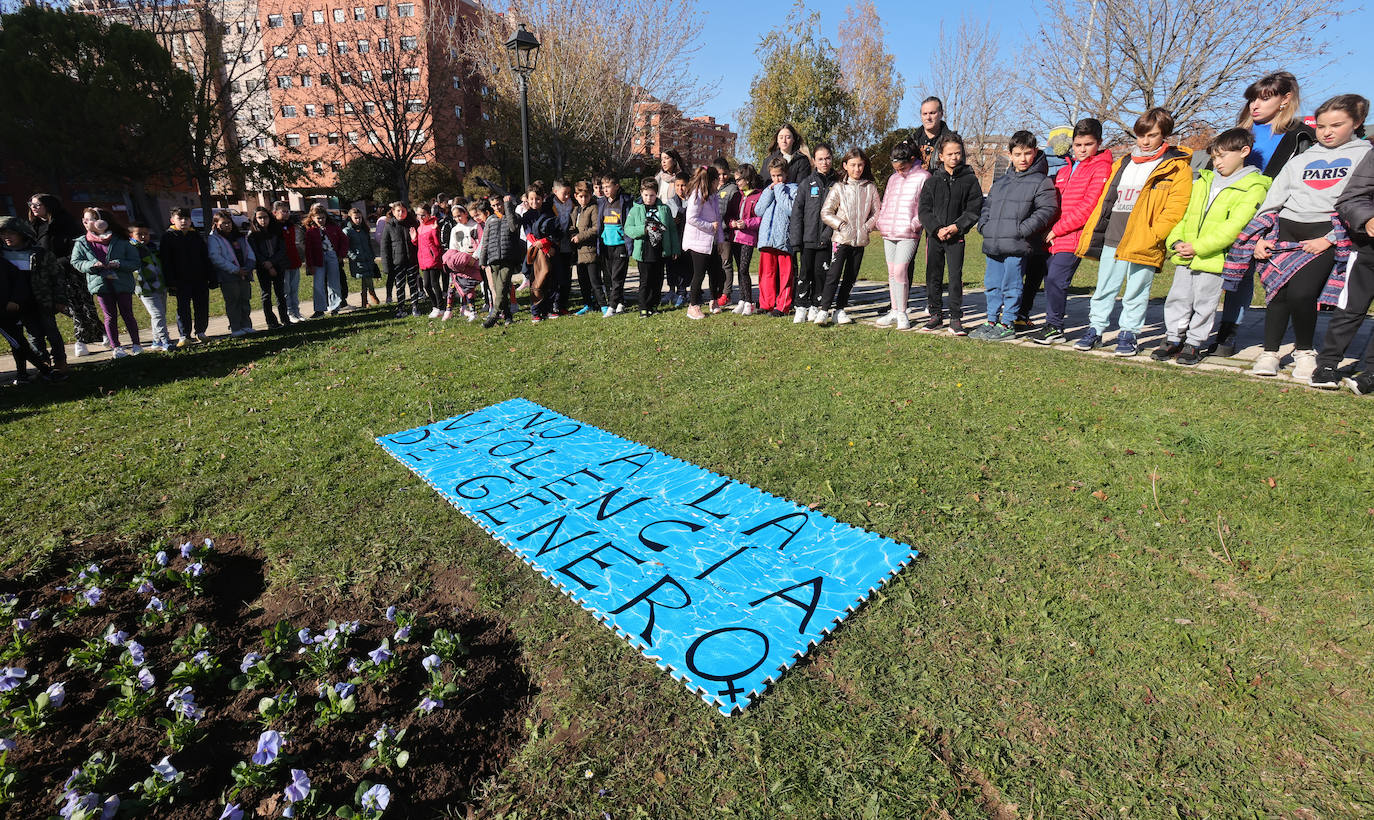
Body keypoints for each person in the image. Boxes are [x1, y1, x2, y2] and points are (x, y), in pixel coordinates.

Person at [1243, 94, 1371, 379]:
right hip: (1287, 229)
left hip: (1325, 233)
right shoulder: (1303, 157)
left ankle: (1304, 352)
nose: (1326, 132)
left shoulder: (1364, 155)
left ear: (1357, 122)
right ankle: (1270, 353)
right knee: (1277, 294)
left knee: (1303, 294)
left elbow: (1360, 201)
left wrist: (1330, 238)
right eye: (1322, 126)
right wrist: (1260, 235)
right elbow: (1275, 198)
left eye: (1336, 125)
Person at [1214, 71, 1318, 356]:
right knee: (1230, 270)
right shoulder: (1239, 131)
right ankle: (1218, 329)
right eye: (1252, 99)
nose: (1254, 106)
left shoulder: (1301, 136)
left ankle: (1287, 340)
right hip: (1232, 208)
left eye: (1264, 98)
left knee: (1269, 274)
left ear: (1285, 99)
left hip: (1273, 213)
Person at [1075, 108, 1193, 356]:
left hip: (1143, 240)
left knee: (1137, 290)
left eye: (1152, 135)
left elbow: (1175, 208)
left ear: (1164, 135)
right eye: (1141, 135)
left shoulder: (1176, 167)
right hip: (1114, 235)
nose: (1145, 141)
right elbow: (1108, 199)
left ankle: (1129, 333)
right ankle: (1095, 328)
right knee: (1105, 286)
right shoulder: (1124, 162)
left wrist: (1153, 235)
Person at [1153, 129, 1271, 366]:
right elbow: (1184, 216)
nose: (1217, 163)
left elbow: (1234, 226)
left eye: (1223, 156)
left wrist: (1198, 247)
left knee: (1204, 302)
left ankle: (1194, 343)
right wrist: (1175, 242)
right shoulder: (1203, 181)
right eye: (1214, 157)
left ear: (1244, 152)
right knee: (1178, 297)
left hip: (1214, 257)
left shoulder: (1254, 186)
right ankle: (1173, 338)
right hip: (1185, 253)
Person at [1030, 118, 1114, 345]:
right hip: (1054, 235)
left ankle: (1055, 326)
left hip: (1075, 235)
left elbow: (1089, 206)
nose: (1082, 149)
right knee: (1050, 279)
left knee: (1057, 278)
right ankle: (1051, 323)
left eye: (1088, 144)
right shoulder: (1067, 167)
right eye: (1078, 145)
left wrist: (1057, 230)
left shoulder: (1101, 167)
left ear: (1099, 143)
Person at [973, 132, 1059, 341]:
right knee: (992, 284)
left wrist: (1023, 230)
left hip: (1017, 244)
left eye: (1028, 153)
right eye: (1018, 154)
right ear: (1010, 155)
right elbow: (988, 207)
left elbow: (1047, 209)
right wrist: (984, 226)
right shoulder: (1000, 183)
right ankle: (991, 320)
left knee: (1012, 285)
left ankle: (1008, 323)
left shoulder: (1041, 181)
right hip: (994, 242)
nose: (1023, 158)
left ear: (1035, 152)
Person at [1312, 148, 1374, 392]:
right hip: (1368, 249)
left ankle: (1371, 373)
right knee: (1350, 308)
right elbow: (1351, 199)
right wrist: (1367, 219)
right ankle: (1327, 364)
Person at [917, 133, 983, 335]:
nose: (954, 157)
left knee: (955, 277)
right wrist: (936, 229)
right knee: (933, 276)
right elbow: (924, 210)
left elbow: (974, 209)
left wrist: (956, 227)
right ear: (941, 156)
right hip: (935, 237)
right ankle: (935, 315)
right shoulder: (932, 181)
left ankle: (955, 318)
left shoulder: (970, 180)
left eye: (958, 153)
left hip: (956, 237)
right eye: (950, 154)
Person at [29, 193, 104, 358]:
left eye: (37, 204)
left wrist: (59, 263)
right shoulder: (34, 226)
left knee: (80, 306)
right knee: (65, 307)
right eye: (31, 204)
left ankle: (81, 341)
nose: (33, 207)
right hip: (47, 275)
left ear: (49, 206)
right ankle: (101, 330)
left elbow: (77, 249)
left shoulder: (66, 223)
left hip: (70, 272)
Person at [817, 147, 880, 326]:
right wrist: (841, 225)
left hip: (860, 240)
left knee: (850, 277)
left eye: (860, 165)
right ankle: (823, 310)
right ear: (845, 165)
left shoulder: (870, 187)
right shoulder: (839, 187)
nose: (857, 169)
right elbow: (826, 212)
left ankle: (840, 310)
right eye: (853, 165)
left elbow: (877, 212)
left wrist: (866, 227)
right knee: (833, 275)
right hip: (841, 239)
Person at [71, 208, 144, 356]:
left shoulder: (122, 240)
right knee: (109, 316)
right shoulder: (82, 242)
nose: (85, 222)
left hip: (122, 283)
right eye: (84, 220)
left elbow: (135, 261)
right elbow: (76, 261)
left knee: (127, 313)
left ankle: (137, 344)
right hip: (100, 284)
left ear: (102, 221)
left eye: (89, 219)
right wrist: (91, 265)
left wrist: (119, 264)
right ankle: (116, 347)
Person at [0, 215, 64, 382]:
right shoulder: (2, 255)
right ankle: (43, 365)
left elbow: (56, 277)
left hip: (41, 300)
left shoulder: (39, 253)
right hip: (16, 304)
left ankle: (60, 362)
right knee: (31, 336)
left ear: (22, 233)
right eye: (3, 234)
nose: (7, 237)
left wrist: (59, 299)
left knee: (51, 331)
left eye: (11, 233)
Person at [874, 143, 930, 330]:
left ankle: (903, 313)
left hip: (908, 233)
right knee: (891, 273)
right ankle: (894, 310)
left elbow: (925, 207)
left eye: (902, 168)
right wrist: (881, 221)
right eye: (895, 168)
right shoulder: (892, 179)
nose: (899, 172)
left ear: (912, 161)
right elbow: (886, 201)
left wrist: (914, 224)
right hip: (889, 231)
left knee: (900, 271)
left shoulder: (923, 177)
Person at [789, 143, 837, 324]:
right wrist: (796, 240)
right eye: (820, 159)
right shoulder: (806, 184)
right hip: (807, 239)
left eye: (827, 158)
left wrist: (827, 235)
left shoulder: (837, 185)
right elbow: (797, 213)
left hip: (826, 239)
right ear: (814, 161)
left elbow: (839, 214)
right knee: (805, 273)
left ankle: (816, 306)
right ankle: (801, 306)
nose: (824, 162)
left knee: (821, 274)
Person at [624, 178, 680, 317]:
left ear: (657, 194)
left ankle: (654, 305)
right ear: (641, 194)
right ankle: (643, 307)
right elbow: (628, 229)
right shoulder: (635, 209)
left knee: (658, 279)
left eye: (652, 195)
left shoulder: (664, 209)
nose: (649, 198)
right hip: (644, 250)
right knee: (645, 280)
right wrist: (643, 230)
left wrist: (675, 249)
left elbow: (672, 230)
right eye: (646, 195)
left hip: (660, 250)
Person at [159, 207, 212, 346]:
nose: (183, 221)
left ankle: (201, 331)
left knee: (201, 306)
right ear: (172, 220)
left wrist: (210, 276)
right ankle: (184, 335)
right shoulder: (168, 237)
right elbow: (166, 261)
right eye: (180, 219)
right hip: (180, 280)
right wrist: (170, 281)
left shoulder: (196, 236)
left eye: (186, 219)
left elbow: (205, 257)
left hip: (199, 278)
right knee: (183, 308)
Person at [754, 157, 799, 316]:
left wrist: (779, 190)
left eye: (779, 176)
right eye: (773, 176)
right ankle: (766, 303)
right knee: (766, 273)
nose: (776, 179)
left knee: (785, 274)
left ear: (785, 174)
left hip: (783, 239)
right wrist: (769, 191)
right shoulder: (769, 190)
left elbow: (790, 210)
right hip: (766, 238)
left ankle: (783, 305)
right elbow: (758, 210)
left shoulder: (793, 189)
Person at [683, 164, 725, 321]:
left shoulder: (713, 196)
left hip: (711, 242)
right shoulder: (697, 195)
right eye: (717, 181)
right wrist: (709, 227)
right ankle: (693, 306)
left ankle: (713, 301)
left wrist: (720, 240)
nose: (719, 184)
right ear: (711, 181)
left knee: (716, 272)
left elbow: (717, 219)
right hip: (697, 242)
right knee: (699, 274)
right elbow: (691, 218)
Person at [204, 210, 256, 336]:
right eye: (223, 223)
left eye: (229, 223)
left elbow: (250, 253)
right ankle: (236, 327)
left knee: (245, 299)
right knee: (233, 302)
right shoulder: (214, 239)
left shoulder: (239, 237)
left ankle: (246, 325)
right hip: (228, 276)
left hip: (244, 273)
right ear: (216, 224)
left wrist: (248, 267)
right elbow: (216, 257)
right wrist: (235, 270)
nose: (227, 225)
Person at [479, 194, 522, 328]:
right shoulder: (490, 220)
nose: (497, 207)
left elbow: (513, 227)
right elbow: (485, 241)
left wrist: (508, 207)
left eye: (499, 204)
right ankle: (508, 315)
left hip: (508, 258)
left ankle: (494, 315)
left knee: (502, 286)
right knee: (499, 290)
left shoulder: (513, 216)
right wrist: (483, 259)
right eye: (494, 205)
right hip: (493, 259)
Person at [127, 223, 171, 350]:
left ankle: (156, 340)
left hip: (160, 285)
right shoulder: (132, 249)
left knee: (160, 314)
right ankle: (165, 340)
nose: (143, 236)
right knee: (157, 314)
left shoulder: (153, 247)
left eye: (145, 234)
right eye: (139, 234)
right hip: (144, 287)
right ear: (131, 235)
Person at [726, 163, 762, 314]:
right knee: (739, 270)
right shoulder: (737, 195)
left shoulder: (758, 195)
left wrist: (746, 223)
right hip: (735, 237)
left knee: (744, 269)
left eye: (739, 179)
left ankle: (749, 301)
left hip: (748, 237)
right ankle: (742, 299)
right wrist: (732, 223)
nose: (737, 183)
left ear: (747, 178)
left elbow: (760, 218)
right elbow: (728, 215)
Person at [248, 208, 291, 329]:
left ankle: (285, 318)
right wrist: (266, 264)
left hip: (278, 265)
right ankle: (271, 321)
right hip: (263, 268)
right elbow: (255, 252)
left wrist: (272, 262)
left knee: (280, 294)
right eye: (260, 218)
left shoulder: (277, 231)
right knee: (266, 295)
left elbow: (282, 249)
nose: (263, 220)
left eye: (265, 217)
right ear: (255, 219)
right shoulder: (253, 235)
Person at [597, 174, 633, 315]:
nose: (605, 190)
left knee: (617, 277)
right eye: (603, 187)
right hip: (606, 245)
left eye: (608, 186)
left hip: (620, 244)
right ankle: (620, 302)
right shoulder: (602, 203)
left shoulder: (625, 201)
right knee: (610, 277)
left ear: (617, 186)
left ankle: (611, 306)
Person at [301, 204, 345, 318]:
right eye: (318, 218)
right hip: (317, 259)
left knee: (334, 282)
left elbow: (344, 240)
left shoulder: (334, 228)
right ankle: (319, 309)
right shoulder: (310, 232)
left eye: (323, 217)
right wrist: (310, 264)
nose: (321, 220)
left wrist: (340, 255)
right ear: (313, 218)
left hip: (331, 255)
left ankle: (335, 307)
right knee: (318, 283)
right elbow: (308, 250)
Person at [379, 201, 420, 318]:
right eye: (398, 211)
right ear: (393, 212)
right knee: (400, 286)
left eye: (403, 211)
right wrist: (387, 266)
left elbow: (419, 243)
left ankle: (415, 306)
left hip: (412, 261)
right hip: (398, 262)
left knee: (413, 285)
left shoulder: (413, 224)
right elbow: (384, 247)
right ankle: (401, 308)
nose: (401, 213)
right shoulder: (389, 226)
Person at [571, 182, 603, 315]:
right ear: (576, 196)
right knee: (583, 281)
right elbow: (572, 226)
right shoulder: (575, 210)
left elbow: (596, 228)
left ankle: (602, 304)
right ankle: (587, 304)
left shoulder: (593, 208)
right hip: (578, 253)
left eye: (586, 196)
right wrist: (572, 234)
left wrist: (581, 236)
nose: (583, 199)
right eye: (581, 196)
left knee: (595, 281)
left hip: (590, 251)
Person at [271, 201, 305, 322]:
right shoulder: (273, 227)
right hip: (282, 263)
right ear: (275, 213)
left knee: (294, 289)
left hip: (294, 260)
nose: (286, 214)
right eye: (283, 211)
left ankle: (296, 311)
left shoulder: (290, 225)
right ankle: (289, 313)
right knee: (286, 290)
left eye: (288, 211)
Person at [711, 158, 738, 309]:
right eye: (719, 174)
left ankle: (726, 294)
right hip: (711, 233)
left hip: (726, 233)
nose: (722, 177)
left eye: (725, 174)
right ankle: (717, 291)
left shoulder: (732, 189)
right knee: (716, 265)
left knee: (726, 263)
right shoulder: (711, 188)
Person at [548, 180, 576, 315]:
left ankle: (563, 304)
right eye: (564, 193)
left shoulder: (572, 203)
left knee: (566, 275)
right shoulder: (549, 204)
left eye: (569, 193)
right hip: (554, 244)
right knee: (555, 277)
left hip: (568, 244)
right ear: (555, 191)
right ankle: (554, 304)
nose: (567, 196)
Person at [904, 97, 955, 171]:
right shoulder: (911, 142)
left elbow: (958, 172)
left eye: (932, 113)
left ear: (941, 114)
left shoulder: (953, 141)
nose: (928, 117)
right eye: (925, 114)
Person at [663, 172, 691, 307]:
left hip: (688, 239)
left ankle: (683, 291)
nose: (680, 189)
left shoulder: (692, 200)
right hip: (674, 239)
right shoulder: (670, 202)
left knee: (686, 267)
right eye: (678, 185)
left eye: (683, 185)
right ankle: (671, 290)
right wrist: (672, 221)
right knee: (672, 265)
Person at [343, 208, 381, 308]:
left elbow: (369, 244)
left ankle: (368, 298)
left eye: (360, 218)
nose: (358, 220)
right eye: (356, 218)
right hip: (358, 260)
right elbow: (346, 247)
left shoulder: (364, 230)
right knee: (365, 278)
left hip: (368, 258)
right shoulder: (347, 231)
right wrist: (353, 256)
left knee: (368, 277)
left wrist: (372, 255)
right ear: (350, 218)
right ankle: (368, 297)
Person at [415, 203, 444, 317]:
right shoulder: (420, 227)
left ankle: (441, 307)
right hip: (423, 259)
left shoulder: (433, 224)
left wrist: (435, 231)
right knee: (426, 285)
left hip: (433, 259)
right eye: (418, 215)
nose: (421, 218)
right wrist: (414, 239)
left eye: (423, 215)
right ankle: (435, 306)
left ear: (428, 214)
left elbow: (437, 244)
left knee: (434, 283)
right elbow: (420, 244)